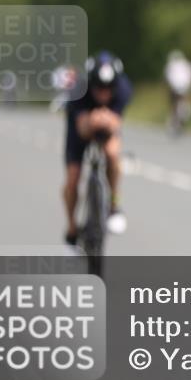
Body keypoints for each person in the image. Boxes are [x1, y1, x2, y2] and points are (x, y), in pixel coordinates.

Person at [62, 51, 133, 248]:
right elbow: (83, 129)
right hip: (80, 127)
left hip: (107, 126)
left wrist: (106, 121)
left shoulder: (123, 90)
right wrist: (94, 121)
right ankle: (71, 229)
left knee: (112, 154)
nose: (103, 94)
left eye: (108, 89)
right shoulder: (78, 91)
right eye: (99, 88)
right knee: (73, 178)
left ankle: (114, 204)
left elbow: (115, 123)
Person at [164, 49, 191, 131]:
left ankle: (174, 119)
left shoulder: (171, 65)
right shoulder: (188, 64)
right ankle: (184, 114)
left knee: (173, 103)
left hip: (175, 87)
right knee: (184, 101)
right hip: (185, 87)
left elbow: (167, 78)